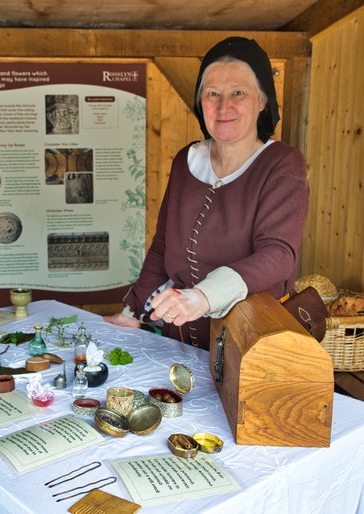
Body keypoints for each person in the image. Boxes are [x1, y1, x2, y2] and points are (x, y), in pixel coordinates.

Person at [104, 37, 309, 349]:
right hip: (182, 337)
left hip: (250, 340)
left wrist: (203, 296)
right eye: (212, 93)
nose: (224, 106)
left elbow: (279, 255)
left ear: (263, 100)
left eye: (238, 93)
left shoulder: (281, 164)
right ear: (201, 102)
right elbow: (162, 248)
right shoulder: (187, 161)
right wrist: (133, 311)